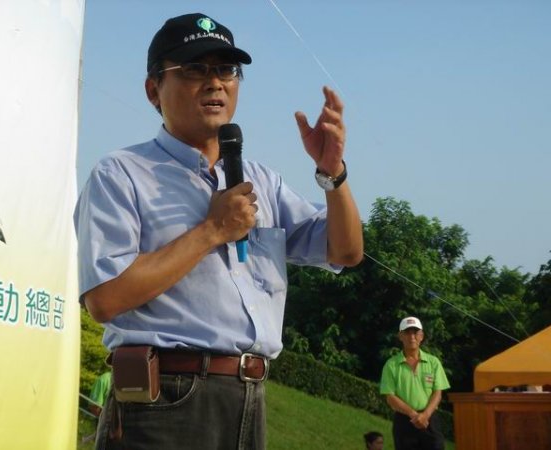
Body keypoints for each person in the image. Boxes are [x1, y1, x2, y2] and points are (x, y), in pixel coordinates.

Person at [74, 12, 363, 450]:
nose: (215, 83)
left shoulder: (263, 181)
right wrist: (212, 230)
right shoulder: (121, 174)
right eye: (194, 69)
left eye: (226, 70)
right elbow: (104, 298)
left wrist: (333, 174)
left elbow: (345, 252)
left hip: (249, 396)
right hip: (165, 400)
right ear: (153, 90)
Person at [379, 317, 450, 450]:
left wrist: (425, 415)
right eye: (407, 333)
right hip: (404, 421)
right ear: (400, 336)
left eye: (415, 332)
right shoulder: (391, 365)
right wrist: (414, 415)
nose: (412, 337)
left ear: (421, 336)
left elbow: (438, 393)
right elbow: (390, 397)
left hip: (430, 420)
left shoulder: (433, 362)